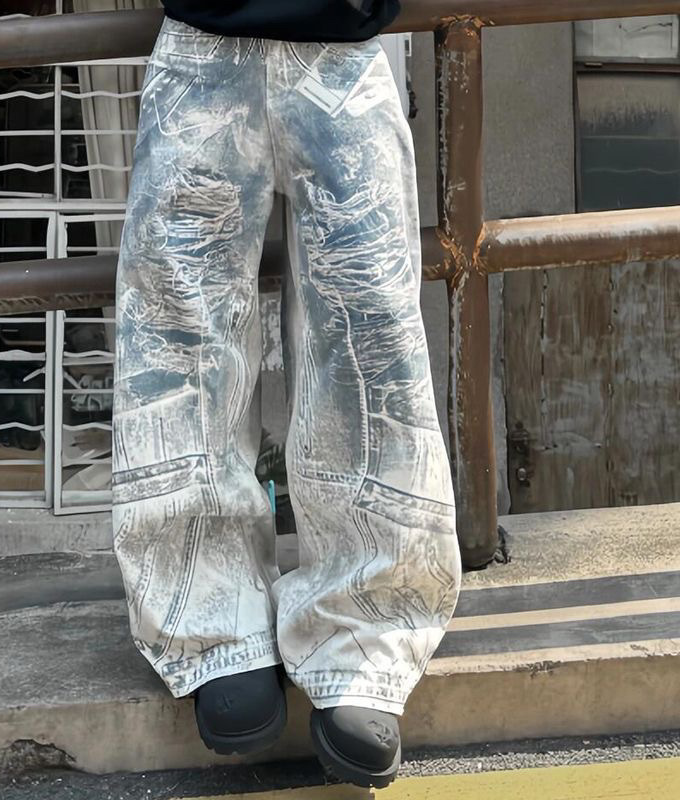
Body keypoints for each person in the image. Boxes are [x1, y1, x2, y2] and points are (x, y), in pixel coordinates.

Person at [113, 0, 461, 788]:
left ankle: (364, 628)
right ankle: (209, 617)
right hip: (203, 38)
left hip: (347, 43)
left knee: (369, 335)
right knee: (179, 331)